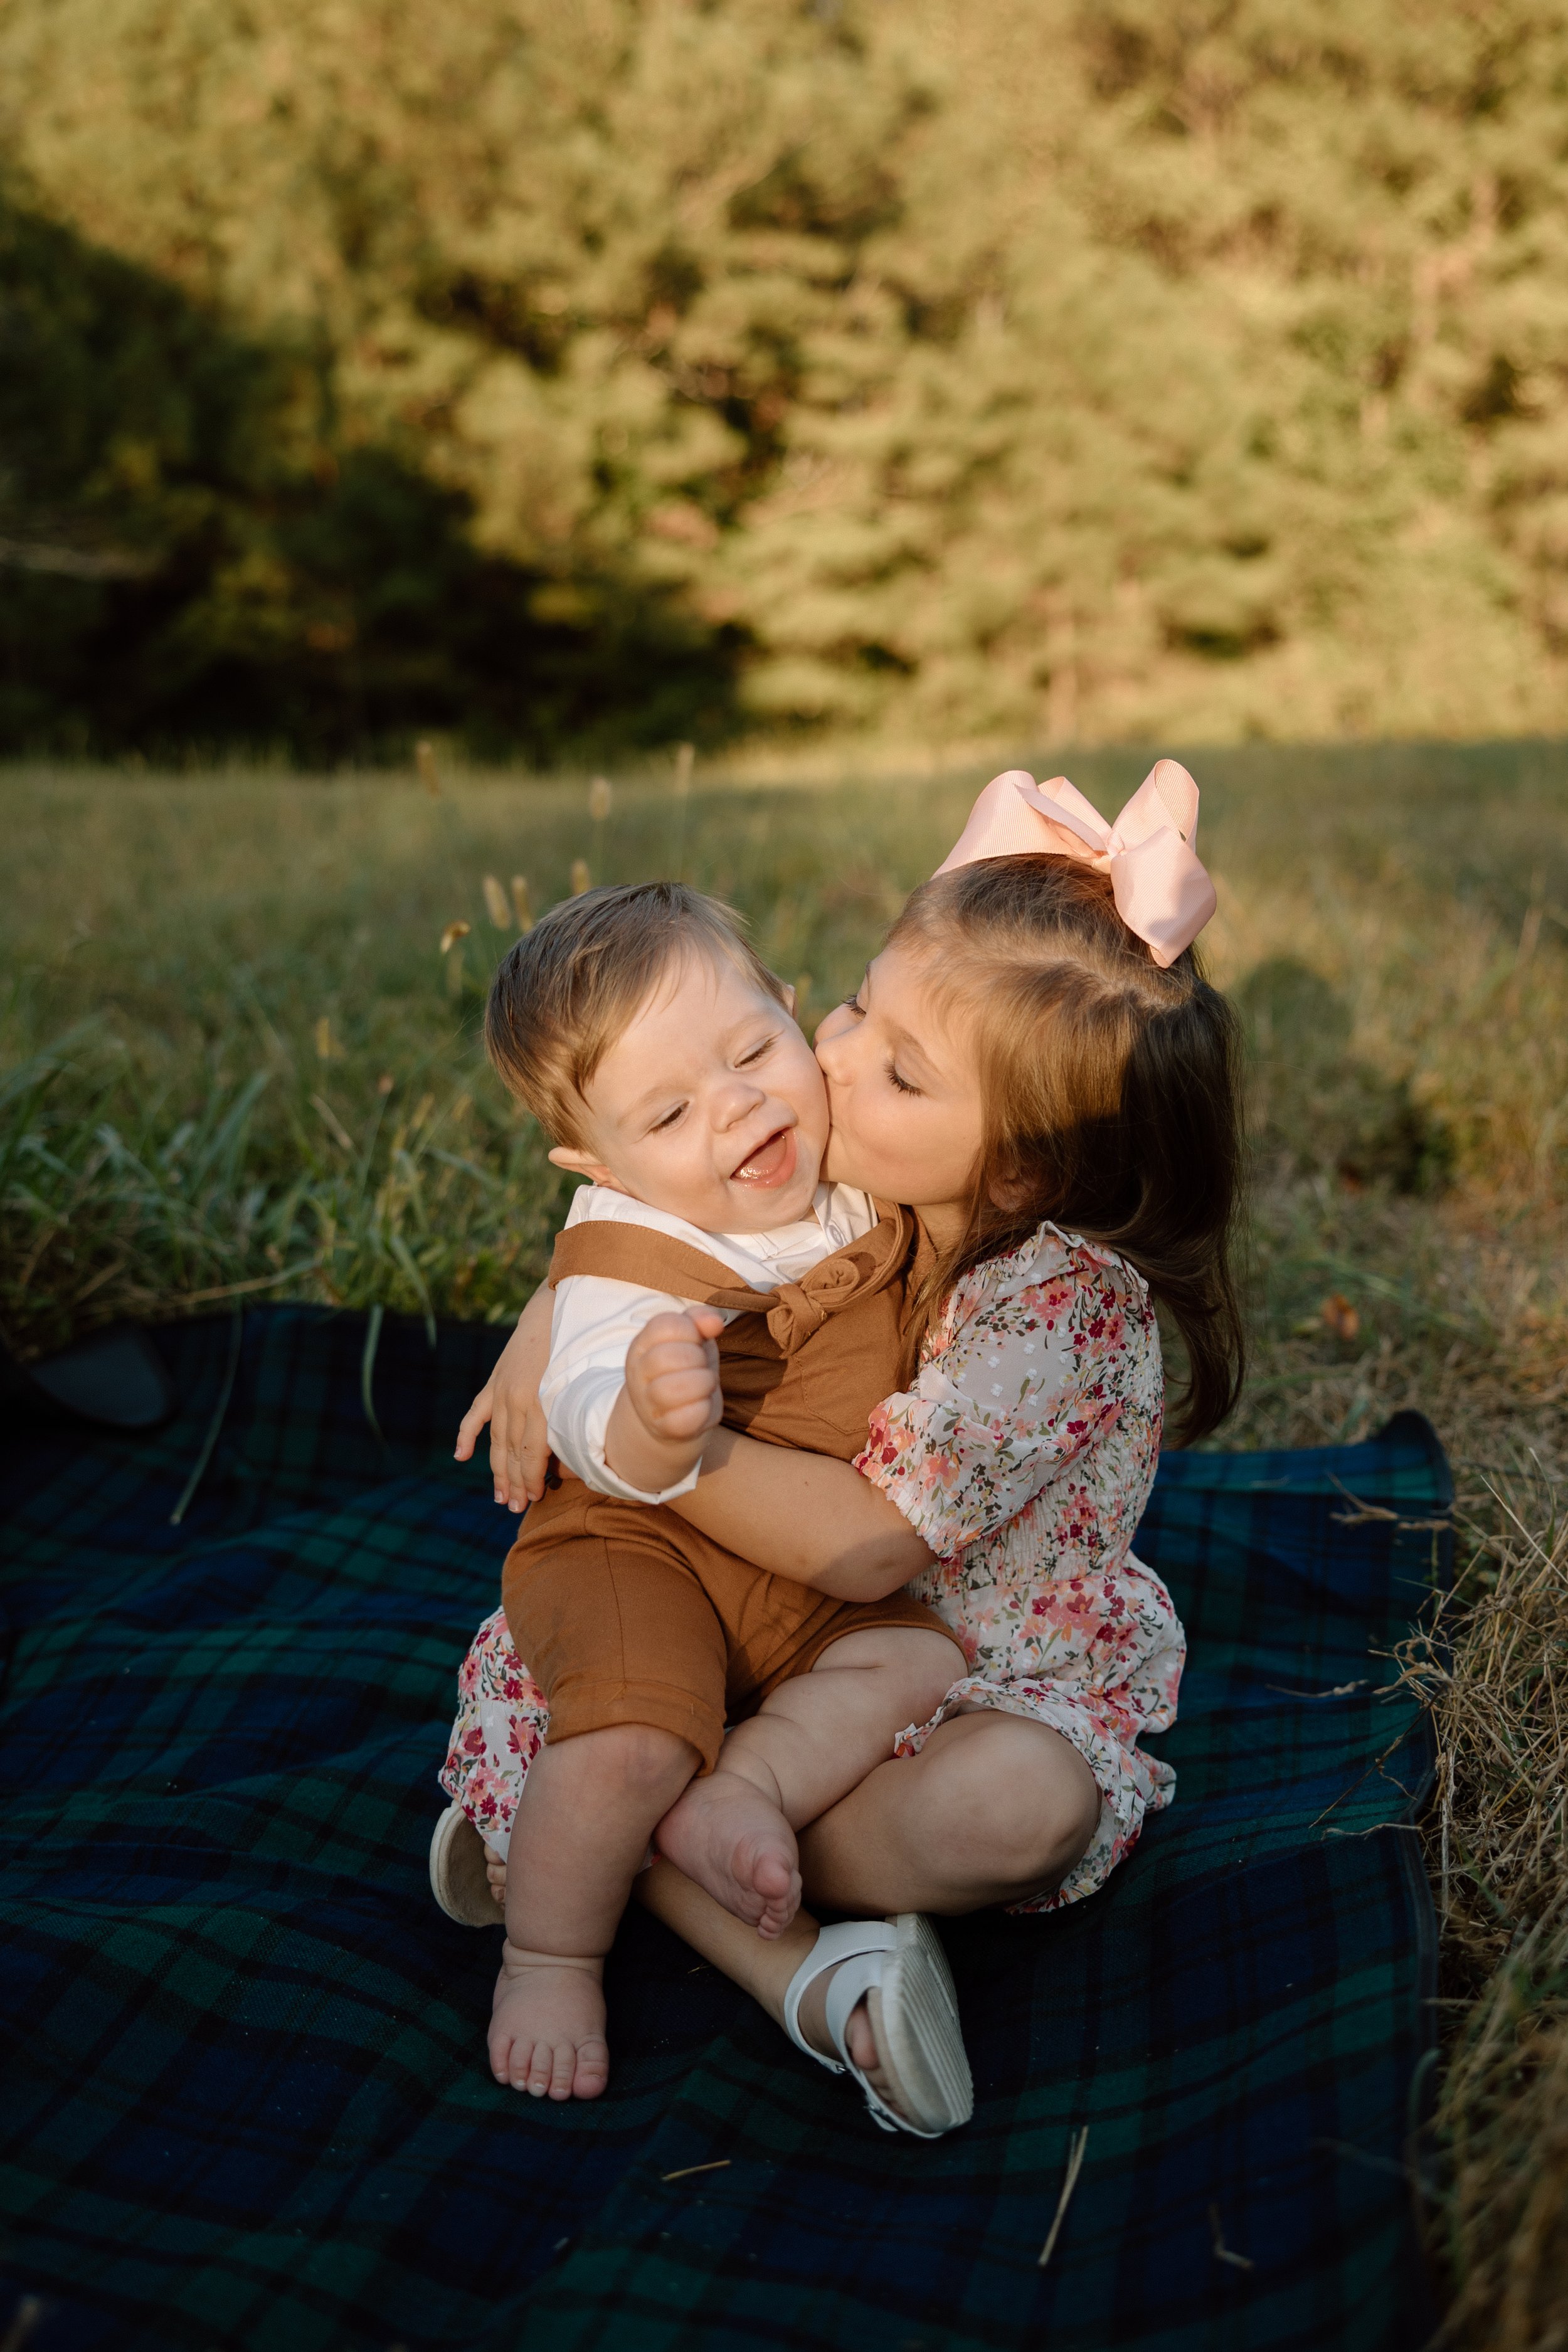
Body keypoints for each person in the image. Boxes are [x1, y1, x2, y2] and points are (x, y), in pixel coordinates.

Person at [445, 760, 1245, 2137]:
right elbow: (647, 1205)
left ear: (1017, 1169)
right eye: (855, 1004)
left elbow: (875, 1541)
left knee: (1019, 1811)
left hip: (943, 1652)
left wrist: (667, 1452)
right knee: (634, 1711)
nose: (819, 1061)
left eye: (889, 1063)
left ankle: (635, 1850)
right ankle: (758, 1925)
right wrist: (556, 1318)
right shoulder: (878, 1155)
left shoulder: (1047, 1305)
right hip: (757, 1626)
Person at [438, 880, 970, 2130]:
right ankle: (551, 1956)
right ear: (596, 1163)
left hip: (798, 1565)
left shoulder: (842, 1148)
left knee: (915, 1657)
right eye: (669, 1111)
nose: (734, 1107)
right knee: (628, 1736)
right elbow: (578, 1402)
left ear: (795, 1014)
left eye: (749, 1050)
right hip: (637, 1547)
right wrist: (646, 1415)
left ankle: (744, 1791)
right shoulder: (625, 1255)